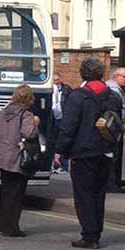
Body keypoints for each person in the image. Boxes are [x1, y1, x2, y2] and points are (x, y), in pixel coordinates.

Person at [55, 58, 123, 249]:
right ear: (101, 74)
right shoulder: (113, 97)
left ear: (83, 74)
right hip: (106, 151)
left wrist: (60, 151)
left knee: (84, 196)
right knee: (98, 195)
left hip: (83, 153)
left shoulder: (77, 97)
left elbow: (68, 127)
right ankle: (96, 233)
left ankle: (89, 236)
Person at [0, 84, 40, 238]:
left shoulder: (4, 112)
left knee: (6, 193)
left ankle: (3, 225)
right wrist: (36, 123)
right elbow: (29, 133)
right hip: (17, 157)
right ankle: (12, 228)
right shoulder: (25, 114)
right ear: (28, 98)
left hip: (3, 155)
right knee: (16, 194)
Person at [105, 67, 125, 191]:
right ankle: (111, 184)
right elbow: (116, 112)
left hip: (114, 128)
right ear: (116, 76)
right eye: (124, 77)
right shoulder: (114, 90)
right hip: (113, 128)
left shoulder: (117, 89)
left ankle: (114, 182)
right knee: (113, 156)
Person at [52, 72, 73, 172]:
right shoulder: (50, 89)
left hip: (63, 118)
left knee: (63, 141)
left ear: (60, 79)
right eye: (54, 80)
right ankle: (54, 165)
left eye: (57, 80)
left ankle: (64, 166)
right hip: (52, 119)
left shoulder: (67, 89)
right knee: (53, 141)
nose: (55, 82)